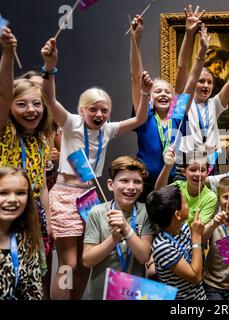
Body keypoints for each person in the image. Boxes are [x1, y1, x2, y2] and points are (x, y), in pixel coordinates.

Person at [41, 37, 152, 300]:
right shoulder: (71, 123)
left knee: (85, 263)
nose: (99, 115)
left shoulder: (108, 129)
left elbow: (140, 118)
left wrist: (145, 93)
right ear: (82, 109)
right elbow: (48, 98)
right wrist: (49, 68)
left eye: (104, 110)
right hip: (66, 194)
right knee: (69, 264)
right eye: (93, 110)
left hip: (90, 197)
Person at [129, 10, 209, 200]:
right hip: (144, 182)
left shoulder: (178, 114)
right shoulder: (144, 114)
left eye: (168, 91)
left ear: (174, 98)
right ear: (149, 97)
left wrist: (202, 53)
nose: (163, 94)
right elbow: (135, 76)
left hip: (173, 181)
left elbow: (191, 79)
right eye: (158, 91)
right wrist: (136, 40)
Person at [0, 28, 53, 298]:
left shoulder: (41, 141)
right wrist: (9, 54)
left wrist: (49, 220)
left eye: (37, 104)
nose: (31, 110)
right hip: (5, 212)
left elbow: (41, 183)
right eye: (21, 104)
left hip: (32, 217)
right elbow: (4, 94)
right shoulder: (5, 133)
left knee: (33, 274)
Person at [178, 30, 229, 172]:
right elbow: (183, 68)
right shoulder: (183, 104)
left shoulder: (213, 104)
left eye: (209, 82)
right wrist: (201, 52)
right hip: (187, 166)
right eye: (201, 81)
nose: (206, 85)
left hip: (209, 166)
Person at [82, 156, 156, 299]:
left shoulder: (145, 212)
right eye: (124, 181)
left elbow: (143, 257)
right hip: (101, 292)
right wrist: (113, 239)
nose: (131, 187)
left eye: (137, 182)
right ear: (111, 184)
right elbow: (87, 260)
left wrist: (127, 229)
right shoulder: (97, 212)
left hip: (133, 293)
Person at [146, 185, 206, 300]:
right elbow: (195, 277)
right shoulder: (163, 246)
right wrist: (196, 237)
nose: (188, 206)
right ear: (177, 215)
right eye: (185, 203)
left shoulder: (182, 227)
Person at [0, 167, 43, 299]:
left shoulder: (25, 240)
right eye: (3, 193)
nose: (12, 199)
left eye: (20, 193)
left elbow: (33, 292)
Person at [155, 146, 217, 225]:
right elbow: (159, 192)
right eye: (193, 170)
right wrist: (167, 167)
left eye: (202, 170)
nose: (198, 174)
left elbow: (197, 228)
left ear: (207, 173)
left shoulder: (210, 197)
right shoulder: (178, 187)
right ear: (184, 172)